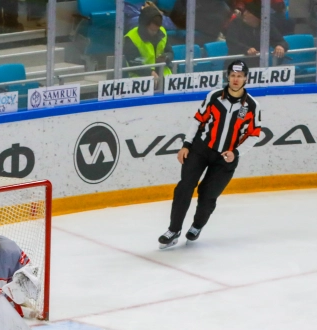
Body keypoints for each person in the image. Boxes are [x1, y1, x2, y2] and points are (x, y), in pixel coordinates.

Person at [159, 60, 262, 249]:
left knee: (208, 195)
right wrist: (186, 144)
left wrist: (236, 153)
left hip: (225, 159)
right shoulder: (214, 97)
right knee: (184, 188)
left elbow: (254, 135)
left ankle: (197, 226)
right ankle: (173, 230)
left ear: (246, 78)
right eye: (232, 75)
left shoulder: (252, 106)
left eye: (239, 76)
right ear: (228, 77)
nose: (236, 79)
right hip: (200, 150)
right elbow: (198, 121)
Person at [224, 0, 288, 69]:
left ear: (257, 17)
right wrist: (246, 49)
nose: (244, 14)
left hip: (257, 66)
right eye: (245, 11)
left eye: (248, 12)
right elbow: (231, 42)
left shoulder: (266, 26)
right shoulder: (236, 23)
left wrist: (280, 46)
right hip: (236, 65)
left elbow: (281, 41)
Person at [123, 3, 174, 82]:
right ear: (144, 25)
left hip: (164, 78)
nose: (155, 32)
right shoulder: (130, 38)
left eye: (157, 30)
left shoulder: (162, 32)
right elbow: (133, 63)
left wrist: (166, 57)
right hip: (141, 80)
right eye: (152, 30)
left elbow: (170, 52)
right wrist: (150, 73)